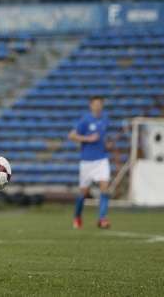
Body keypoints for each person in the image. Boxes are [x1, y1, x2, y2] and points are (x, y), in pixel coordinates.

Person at [68, 96, 112, 229]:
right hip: (87, 161)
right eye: (95, 104)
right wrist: (88, 138)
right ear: (91, 106)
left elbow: (104, 137)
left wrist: (107, 144)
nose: (98, 106)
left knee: (105, 188)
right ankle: (77, 216)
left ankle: (102, 219)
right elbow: (71, 135)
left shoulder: (105, 119)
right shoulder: (85, 120)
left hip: (102, 159)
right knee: (83, 193)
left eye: (100, 104)